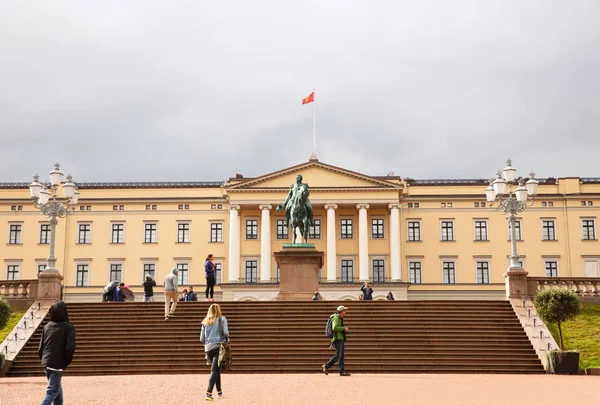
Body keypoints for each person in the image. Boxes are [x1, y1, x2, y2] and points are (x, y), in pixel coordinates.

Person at [38, 301, 76, 405]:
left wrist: (44, 360)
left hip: (46, 362)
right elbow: (70, 348)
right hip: (57, 362)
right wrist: (65, 362)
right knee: (52, 390)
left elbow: (40, 347)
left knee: (57, 389)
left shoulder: (47, 326)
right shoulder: (69, 327)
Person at [200, 303, 229, 401]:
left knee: (216, 369)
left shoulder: (205, 321)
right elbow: (225, 332)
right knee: (214, 370)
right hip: (218, 346)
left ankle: (219, 392)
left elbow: (202, 338)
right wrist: (227, 339)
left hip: (208, 348)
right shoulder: (222, 319)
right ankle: (208, 393)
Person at [322, 305, 350, 376]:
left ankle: (342, 371)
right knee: (338, 355)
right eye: (344, 310)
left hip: (341, 338)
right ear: (341, 311)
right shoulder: (336, 318)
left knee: (341, 356)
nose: (345, 312)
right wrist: (344, 328)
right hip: (337, 338)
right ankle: (326, 365)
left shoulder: (339, 318)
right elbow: (334, 327)